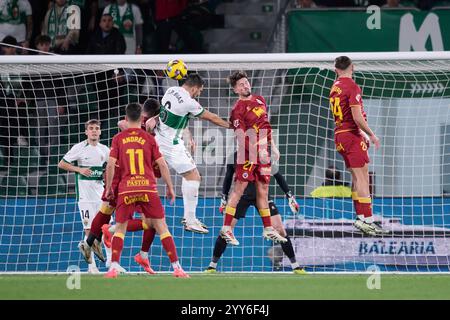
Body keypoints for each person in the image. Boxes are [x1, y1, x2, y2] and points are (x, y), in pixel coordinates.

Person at [103, 102, 188, 278]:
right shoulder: (150, 138)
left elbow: (111, 165)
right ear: (142, 118)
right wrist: (171, 187)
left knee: (120, 228)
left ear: (126, 119)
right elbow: (162, 164)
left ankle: (113, 268)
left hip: (126, 189)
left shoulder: (118, 138)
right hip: (148, 188)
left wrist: (110, 188)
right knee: (161, 226)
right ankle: (177, 268)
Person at [79, 99, 161, 274]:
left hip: (132, 174)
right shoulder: (144, 124)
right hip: (125, 173)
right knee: (150, 220)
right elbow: (122, 123)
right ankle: (113, 235)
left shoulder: (155, 130)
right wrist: (142, 130)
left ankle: (89, 242)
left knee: (109, 211)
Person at [206, 151, 305, 274]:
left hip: (262, 196)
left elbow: (277, 175)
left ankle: (295, 266)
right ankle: (212, 265)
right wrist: (224, 197)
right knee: (226, 230)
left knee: (280, 229)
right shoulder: (235, 157)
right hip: (241, 196)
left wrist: (289, 196)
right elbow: (228, 177)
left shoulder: (263, 156)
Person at [154, 73, 230, 234]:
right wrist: (231, 126)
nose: (199, 94)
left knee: (188, 176)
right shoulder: (190, 102)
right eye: (200, 91)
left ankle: (189, 217)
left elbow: (179, 115)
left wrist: (187, 135)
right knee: (194, 176)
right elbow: (212, 117)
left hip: (161, 137)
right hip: (171, 145)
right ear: (194, 88)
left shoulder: (171, 90)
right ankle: (190, 220)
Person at [219, 71, 287, 246]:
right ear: (235, 90)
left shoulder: (260, 100)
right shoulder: (237, 110)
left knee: (263, 189)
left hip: (264, 150)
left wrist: (274, 147)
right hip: (247, 153)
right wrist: (258, 153)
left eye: (246, 82)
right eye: (241, 85)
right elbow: (241, 137)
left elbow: (265, 125)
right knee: (239, 188)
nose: (245, 86)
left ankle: (268, 229)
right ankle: (227, 228)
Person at [330, 56, 388, 235]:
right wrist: (371, 134)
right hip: (351, 135)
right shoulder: (352, 86)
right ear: (352, 67)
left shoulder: (334, 87)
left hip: (340, 135)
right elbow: (356, 117)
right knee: (363, 177)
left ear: (335, 69)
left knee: (356, 177)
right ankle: (368, 220)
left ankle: (361, 218)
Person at [58, 119, 110, 273]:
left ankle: (111, 263)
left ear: (100, 132)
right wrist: (79, 170)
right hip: (85, 197)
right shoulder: (79, 148)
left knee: (106, 228)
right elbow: (61, 164)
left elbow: (113, 165)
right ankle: (91, 266)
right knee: (89, 229)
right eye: (91, 128)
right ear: (86, 132)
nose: (94, 131)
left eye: (97, 128)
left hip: (101, 195)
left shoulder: (104, 149)